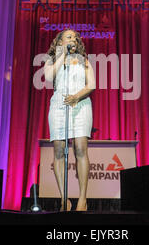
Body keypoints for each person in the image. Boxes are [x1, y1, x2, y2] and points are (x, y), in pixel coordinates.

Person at [44, 29, 95, 211]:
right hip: (59, 105)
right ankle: (64, 197)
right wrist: (62, 55)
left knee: (80, 148)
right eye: (68, 37)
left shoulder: (84, 61)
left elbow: (92, 84)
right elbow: (49, 77)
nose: (73, 38)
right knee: (59, 150)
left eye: (75, 37)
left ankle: (82, 199)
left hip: (80, 104)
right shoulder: (52, 61)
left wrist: (76, 96)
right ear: (59, 42)